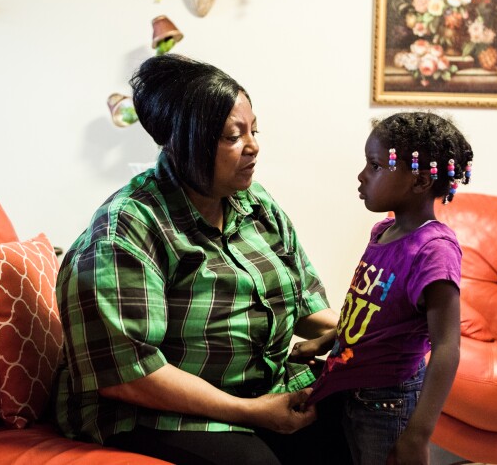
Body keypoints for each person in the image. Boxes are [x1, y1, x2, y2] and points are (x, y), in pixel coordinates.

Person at [53, 54, 346, 465]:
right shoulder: (128, 229)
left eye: (253, 130)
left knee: (359, 425)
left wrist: (371, 331)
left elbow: (305, 307)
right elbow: (128, 373)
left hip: (260, 390)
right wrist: (251, 412)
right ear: (182, 141)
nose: (253, 146)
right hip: (152, 410)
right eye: (232, 136)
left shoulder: (256, 205)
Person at [290, 112, 473, 465]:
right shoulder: (382, 232)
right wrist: (324, 341)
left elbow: (448, 347)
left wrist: (418, 435)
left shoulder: (434, 250)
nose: (362, 175)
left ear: (419, 182)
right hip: (349, 386)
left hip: (387, 405)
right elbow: (369, 311)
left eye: (375, 166)